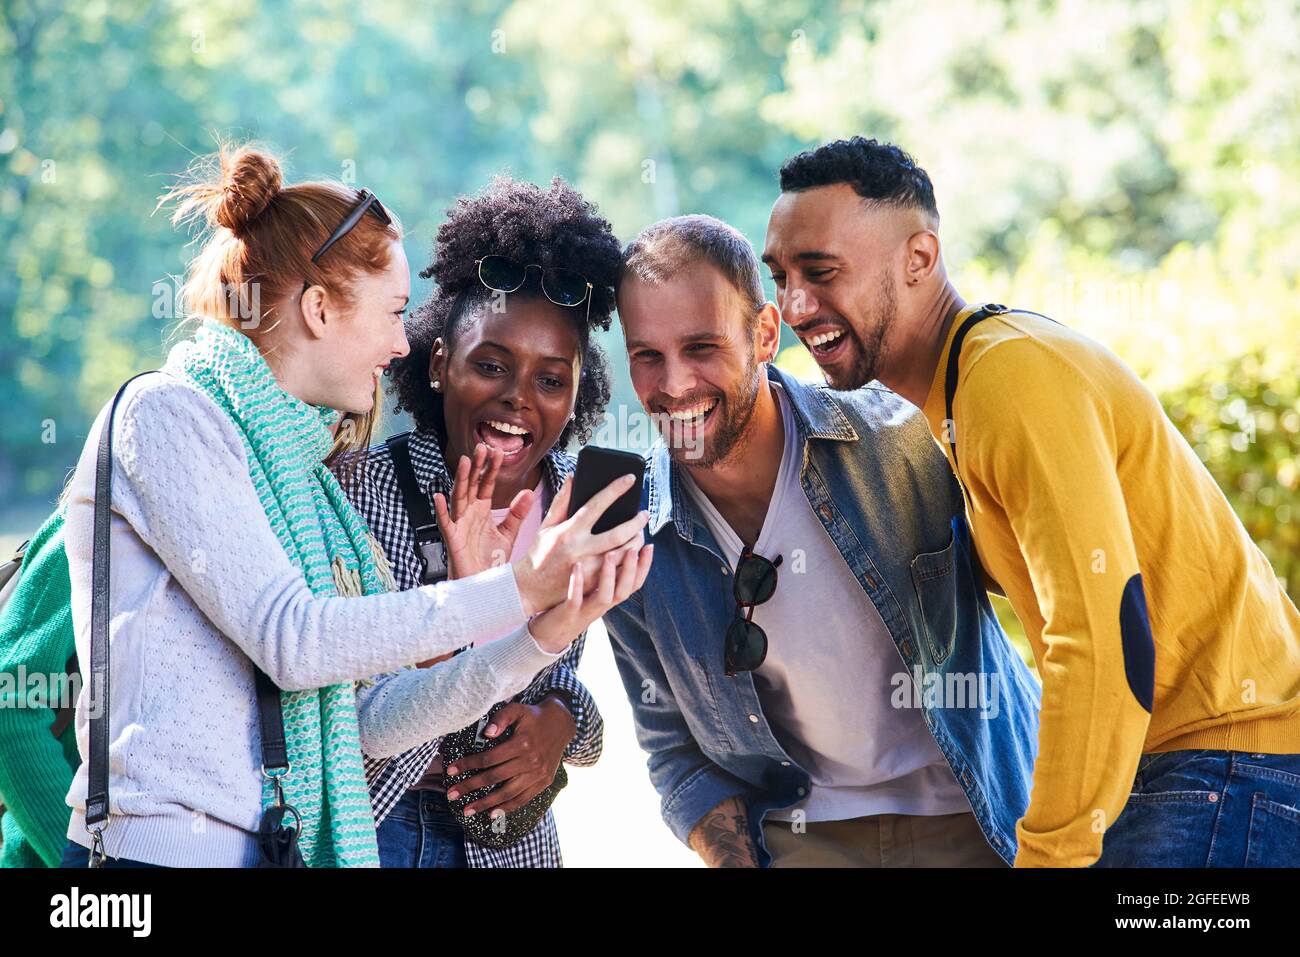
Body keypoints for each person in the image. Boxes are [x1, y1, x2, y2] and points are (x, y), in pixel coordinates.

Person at [55, 144, 651, 868]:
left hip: (273, 849)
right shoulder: (169, 414)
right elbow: (294, 638)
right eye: (395, 312)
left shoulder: (308, 479)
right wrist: (510, 588)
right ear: (318, 309)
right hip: (156, 855)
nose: (403, 342)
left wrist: (543, 634)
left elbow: (364, 719)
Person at [762, 135, 1300, 867]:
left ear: (920, 259)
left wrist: (1048, 856)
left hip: (1227, 767)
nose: (795, 304)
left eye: (821, 272)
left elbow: (1104, 635)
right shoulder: (957, 395)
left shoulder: (1007, 376)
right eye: (781, 276)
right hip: (1196, 770)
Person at [603, 213, 1040, 868]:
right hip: (804, 838)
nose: (673, 384)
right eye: (647, 355)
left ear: (765, 334)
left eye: (701, 348)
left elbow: (1054, 596)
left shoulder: (904, 438)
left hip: (978, 813)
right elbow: (675, 752)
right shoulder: (630, 538)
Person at [339, 176, 627, 867]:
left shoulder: (581, 507)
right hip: (388, 830)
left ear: (577, 389)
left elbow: (557, 679)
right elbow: (345, 711)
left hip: (511, 848)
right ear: (440, 363)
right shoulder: (361, 489)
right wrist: (470, 603)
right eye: (491, 365)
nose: (517, 400)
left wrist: (564, 723)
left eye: (551, 379)